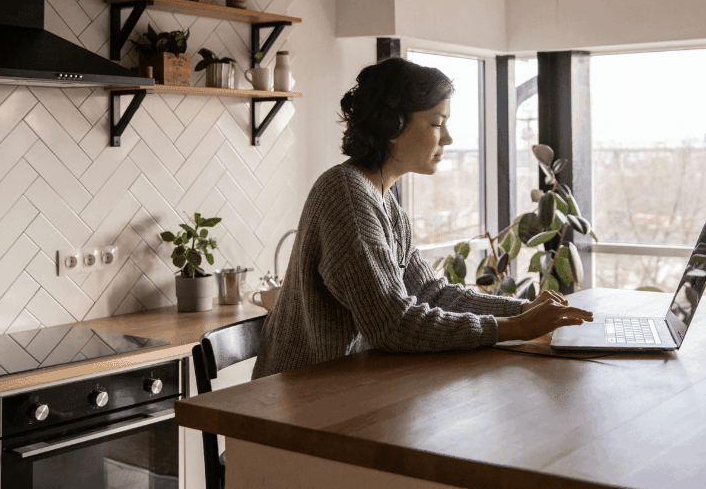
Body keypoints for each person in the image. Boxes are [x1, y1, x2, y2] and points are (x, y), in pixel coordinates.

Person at [252, 57, 593, 378]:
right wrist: (515, 328)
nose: (447, 138)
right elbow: (392, 325)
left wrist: (522, 310)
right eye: (437, 123)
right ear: (391, 125)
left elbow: (430, 292)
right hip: (293, 404)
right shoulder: (347, 197)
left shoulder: (382, 198)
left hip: (343, 387)